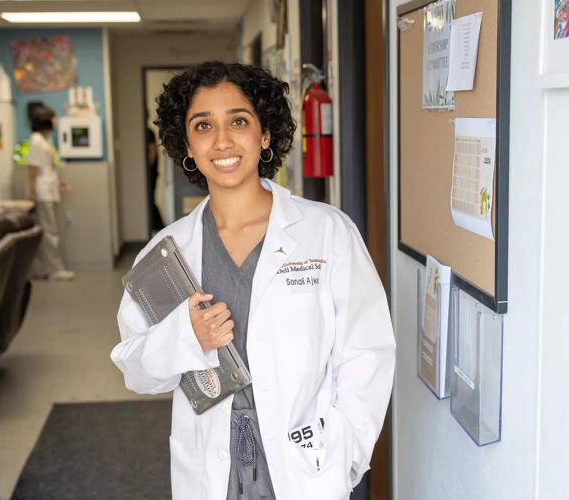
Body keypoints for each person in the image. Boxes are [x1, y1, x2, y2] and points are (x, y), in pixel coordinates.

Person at [110, 61, 395, 500]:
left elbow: (366, 351)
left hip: (306, 460)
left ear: (264, 135)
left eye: (238, 121)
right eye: (203, 125)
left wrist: (347, 452)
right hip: (210, 465)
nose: (222, 141)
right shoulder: (168, 252)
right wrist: (185, 335)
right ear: (186, 143)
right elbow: (136, 370)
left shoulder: (325, 231)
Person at [26, 106, 75, 281]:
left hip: (49, 190)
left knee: (48, 232)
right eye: (53, 118)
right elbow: (31, 166)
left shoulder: (47, 139)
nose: (56, 121)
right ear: (45, 120)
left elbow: (49, 168)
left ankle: (44, 269)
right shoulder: (36, 139)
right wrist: (33, 190)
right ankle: (55, 270)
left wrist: (58, 184)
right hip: (43, 192)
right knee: (49, 233)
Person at [146, 124, 165, 234]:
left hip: (150, 173)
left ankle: (159, 227)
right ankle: (158, 226)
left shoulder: (148, 132)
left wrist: (148, 168)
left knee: (150, 199)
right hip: (151, 172)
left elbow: (152, 151)